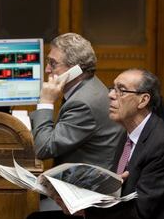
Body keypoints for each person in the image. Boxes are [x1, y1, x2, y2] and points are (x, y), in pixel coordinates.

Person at [24, 68, 164, 219]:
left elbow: (141, 212)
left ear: (143, 100)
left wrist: (85, 212)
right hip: (118, 217)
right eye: (112, 88)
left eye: (121, 91)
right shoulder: (127, 136)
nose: (110, 95)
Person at [30, 32, 124, 170]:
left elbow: (43, 149)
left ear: (75, 70)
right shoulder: (89, 86)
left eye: (53, 63)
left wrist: (46, 102)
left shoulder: (83, 103)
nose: (47, 69)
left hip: (84, 186)